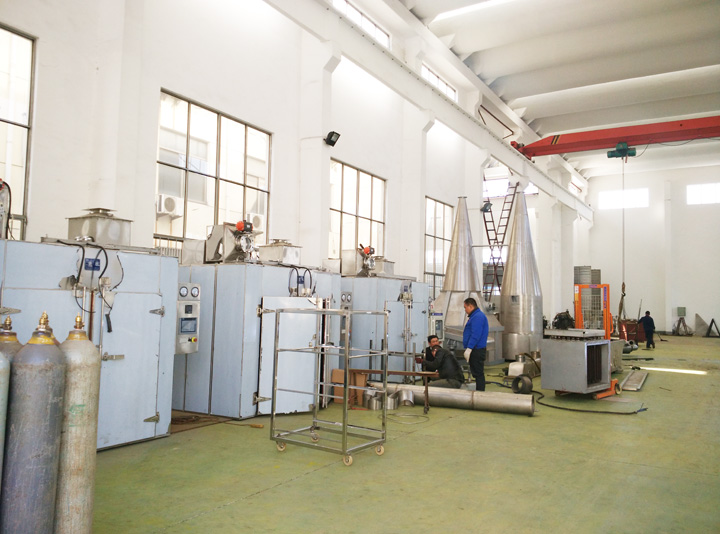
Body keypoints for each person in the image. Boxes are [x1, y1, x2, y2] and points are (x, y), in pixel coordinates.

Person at [462, 297, 489, 391]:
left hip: (476, 350)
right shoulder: (475, 316)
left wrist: (469, 348)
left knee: (478, 374)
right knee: (477, 373)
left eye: (465, 307)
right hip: (475, 349)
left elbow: (476, 334)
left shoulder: (478, 317)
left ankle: (480, 394)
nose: (465, 310)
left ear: (470, 306)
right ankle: (479, 392)